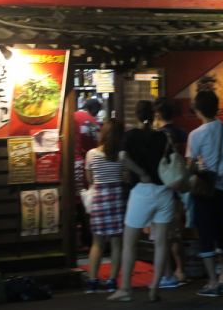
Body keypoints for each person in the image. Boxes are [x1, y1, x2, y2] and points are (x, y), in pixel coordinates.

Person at [108, 100, 174, 303]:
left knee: (129, 242)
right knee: (162, 243)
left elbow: (122, 157)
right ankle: (155, 286)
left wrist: (141, 172)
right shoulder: (163, 136)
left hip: (142, 191)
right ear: (154, 115)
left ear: (136, 115)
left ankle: (126, 288)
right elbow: (171, 159)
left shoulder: (131, 136)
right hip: (164, 191)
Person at [186, 90, 223, 297]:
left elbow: (190, 166)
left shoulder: (196, 135)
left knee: (205, 235)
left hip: (204, 191)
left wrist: (203, 166)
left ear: (198, 110)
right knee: (221, 234)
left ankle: (212, 282)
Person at [84, 118, 125, 293]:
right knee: (116, 243)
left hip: (99, 200)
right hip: (116, 199)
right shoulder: (122, 156)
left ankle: (92, 281)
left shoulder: (91, 154)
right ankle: (112, 282)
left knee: (97, 243)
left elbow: (89, 179)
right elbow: (125, 176)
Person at [153, 97, 189, 288]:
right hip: (179, 185)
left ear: (158, 115)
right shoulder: (182, 133)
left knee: (163, 234)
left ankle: (168, 273)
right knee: (176, 233)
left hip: (162, 185)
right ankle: (181, 270)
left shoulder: (157, 136)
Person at [74, 98, 102, 249]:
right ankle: (87, 238)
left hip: (70, 164)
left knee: (74, 201)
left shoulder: (72, 116)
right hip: (85, 164)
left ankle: (74, 239)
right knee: (85, 201)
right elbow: (98, 146)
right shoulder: (93, 123)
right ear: (95, 111)